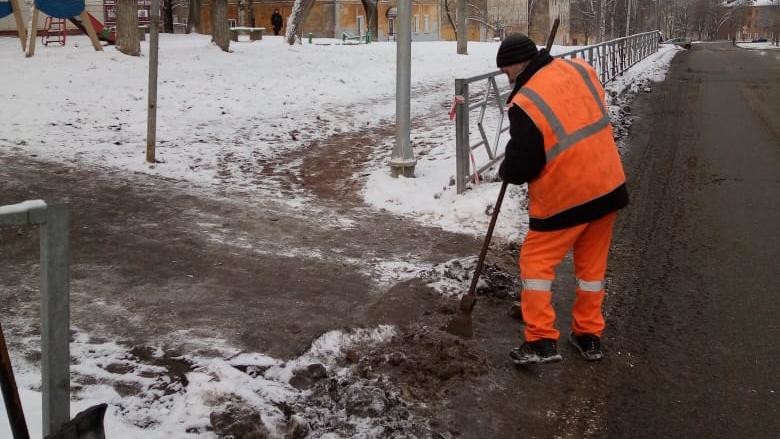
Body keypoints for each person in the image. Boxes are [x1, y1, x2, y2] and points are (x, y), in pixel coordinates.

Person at [495, 33, 629, 365]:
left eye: (506, 70)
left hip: (566, 195)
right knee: (591, 270)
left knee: (536, 264)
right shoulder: (579, 69)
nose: (506, 77)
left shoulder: (526, 102)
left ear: (518, 64)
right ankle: (588, 335)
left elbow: (524, 163)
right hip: (608, 184)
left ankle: (541, 340)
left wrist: (507, 170)